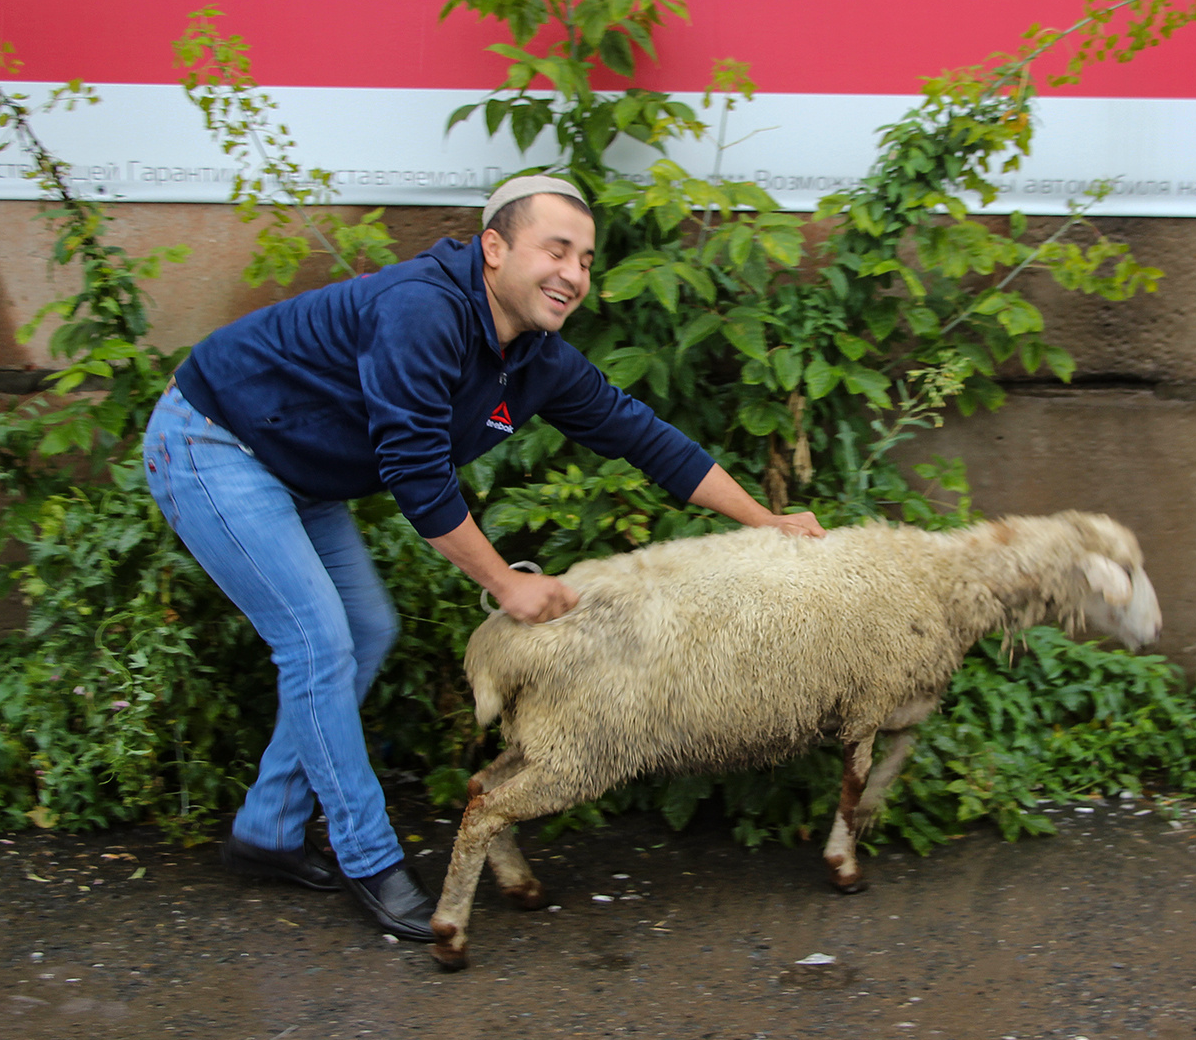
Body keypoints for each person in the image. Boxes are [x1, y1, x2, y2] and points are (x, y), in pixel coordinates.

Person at [142, 175, 823, 940]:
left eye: (588, 259)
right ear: (494, 248)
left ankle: (266, 830)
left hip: (297, 467)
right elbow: (414, 471)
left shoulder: (536, 356)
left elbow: (641, 434)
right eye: (556, 250)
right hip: (214, 442)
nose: (574, 273)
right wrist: (505, 585)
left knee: (365, 632)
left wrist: (767, 521)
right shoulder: (423, 311)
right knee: (317, 643)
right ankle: (367, 856)